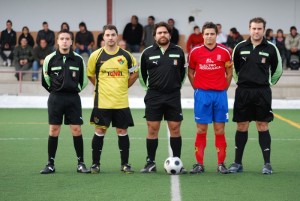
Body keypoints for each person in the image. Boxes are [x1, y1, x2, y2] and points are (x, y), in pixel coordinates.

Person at [228, 17, 283, 175]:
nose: (256, 31)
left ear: (264, 30)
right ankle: (237, 163)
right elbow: (235, 70)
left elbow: (277, 71)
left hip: (262, 92)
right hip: (243, 92)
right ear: (249, 29)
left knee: (262, 125)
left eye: (259, 29)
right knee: (242, 125)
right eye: (253, 28)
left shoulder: (271, 48)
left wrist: (266, 84)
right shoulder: (240, 47)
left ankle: (267, 164)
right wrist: (243, 83)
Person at [87, 24, 138, 174]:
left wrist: (123, 86)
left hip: (120, 101)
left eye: (113, 35)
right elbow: (90, 75)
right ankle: (95, 164)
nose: (110, 38)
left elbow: (135, 73)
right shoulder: (95, 56)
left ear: (117, 36)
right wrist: (100, 87)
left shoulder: (127, 56)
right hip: (102, 101)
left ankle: (125, 164)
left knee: (122, 131)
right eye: (107, 35)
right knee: (100, 130)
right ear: (103, 37)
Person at [139, 22, 187, 173]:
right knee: (153, 129)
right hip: (154, 96)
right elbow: (142, 75)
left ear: (170, 35)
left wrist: (176, 87)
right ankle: (150, 163)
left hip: (173, 96)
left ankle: (177, 160)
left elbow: (183, 74)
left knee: (175, 128)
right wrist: (150, 89)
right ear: (154, 36)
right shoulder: (147, 53)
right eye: (159, 33)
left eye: (165, 32)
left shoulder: (178, 51)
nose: (162, 35)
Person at [40, 29, 89, 174]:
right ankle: (50, 164)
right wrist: (56, 90)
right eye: (62, 38)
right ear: (57, 41)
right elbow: (45, 80)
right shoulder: (50, 59)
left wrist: (73, 89)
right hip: (55, 98)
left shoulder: (78, 59)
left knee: (76, 129)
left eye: (67, 38)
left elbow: (84, 81)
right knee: (54, 130)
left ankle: (81, 163)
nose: (65, 41)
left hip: (73, 98)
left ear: (72, 41)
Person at [188, 22, 232, 174]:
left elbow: (229, 73)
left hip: (220, 95)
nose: (209, 36)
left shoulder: (225, 52)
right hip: (202, 95)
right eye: (206, 34)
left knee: (219, 130)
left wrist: (222, 89)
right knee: (201, 129)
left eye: (212, 34)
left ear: (216, 34)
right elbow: (191, 73)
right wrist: (198, 89)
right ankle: (199, 164)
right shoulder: (195, 52)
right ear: (202, 35)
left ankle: (221, 164)